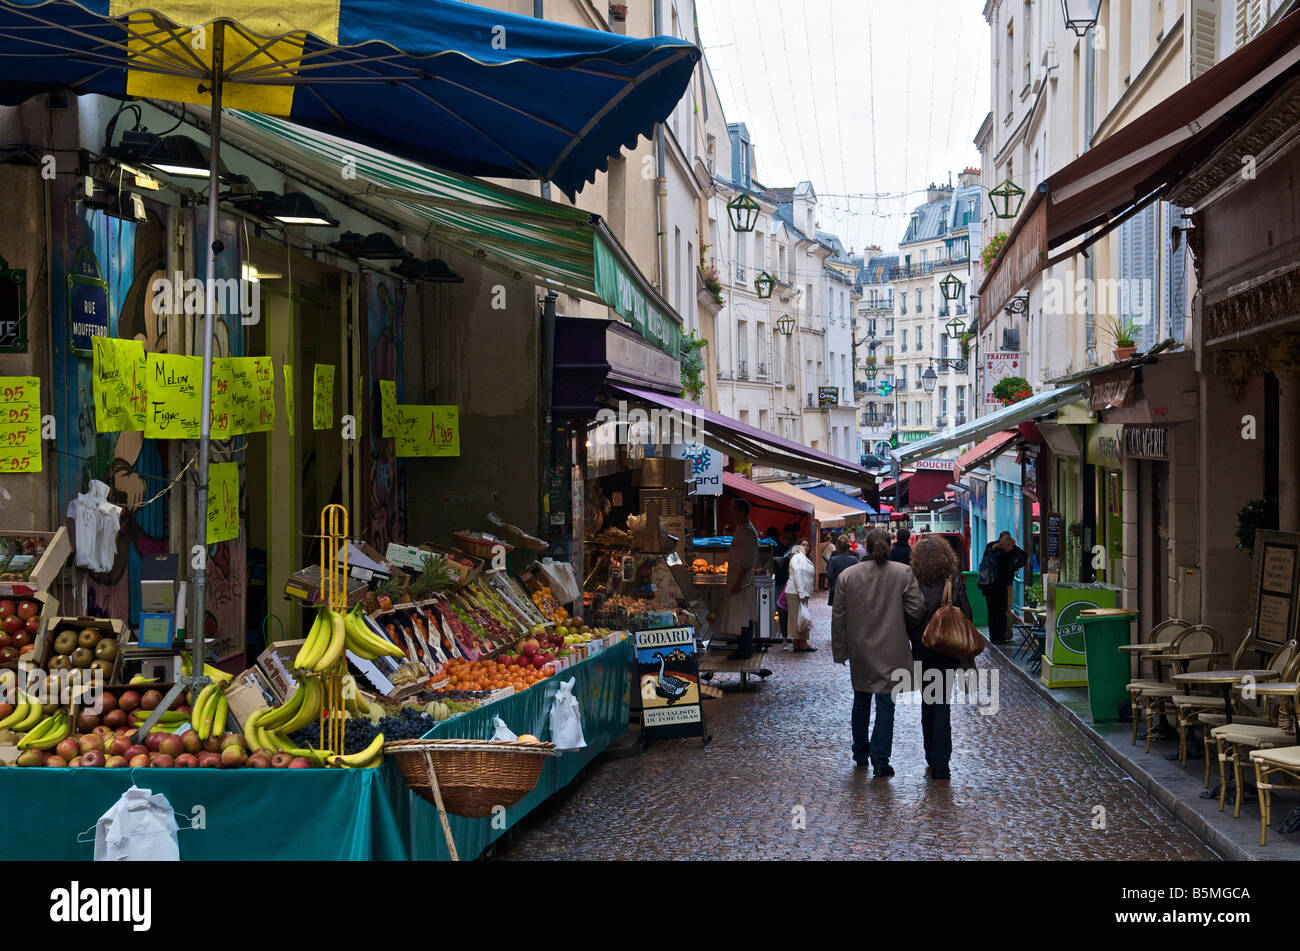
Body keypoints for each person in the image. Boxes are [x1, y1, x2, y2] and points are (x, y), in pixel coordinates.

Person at [831, 528, 926, 776]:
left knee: (861, 699)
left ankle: (860, 753)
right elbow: (917, 609)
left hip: (860, 648)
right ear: (889, 546)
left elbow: (839, 616)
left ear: (865, 545)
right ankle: (880, 760)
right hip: (891, 647)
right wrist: (899, 621)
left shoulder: (848, 575)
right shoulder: (902, 572)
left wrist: (840, 649)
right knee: (886, 704)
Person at [907, 535, 975, 780]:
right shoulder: (952, 580)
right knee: (942, 703)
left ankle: (931, 754)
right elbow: (967, 613)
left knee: (928, 702)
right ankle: (941, 763)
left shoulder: (912, 579)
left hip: (922, 648)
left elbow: (908, 615)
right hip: (947, 649)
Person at [720, 498, 760, 659]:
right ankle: (742, 647)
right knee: (741, 616)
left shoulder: (749, 532)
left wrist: (738, 582)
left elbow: (747, 561)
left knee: (744, 615)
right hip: (737, 579)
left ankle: (744, 649)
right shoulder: (741, 529)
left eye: (733, 509)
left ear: (741, 512)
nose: (731, 512)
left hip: (742, 582)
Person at [977, 531, 1027, 644]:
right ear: (1007, 545)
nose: (1012, 548)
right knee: (1001, 612)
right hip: (999, 589)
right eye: (1011, 546)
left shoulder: (990, 550)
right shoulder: (1004, 556)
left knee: (991, 612)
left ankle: (993, 637)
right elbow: (1004, 575)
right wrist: (1013, 567)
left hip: (988, 589)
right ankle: (1000, 637)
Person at [786, 539, 816, 652]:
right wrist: (801, 592)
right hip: (797, 592)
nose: (806, 547)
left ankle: (797, 643)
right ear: (798, 546)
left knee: (798, 617)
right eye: (803, 545)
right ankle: (802, 643)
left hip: (798, 592)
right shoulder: (798, 557)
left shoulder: (802, 558)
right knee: (800, 618)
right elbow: (798, 575)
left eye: (808, 545)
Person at [772, 525, 799, 641]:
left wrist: (782, 560)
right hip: (785, 579)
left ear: (789, 533)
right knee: (783, 606)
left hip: (787, 580)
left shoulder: (794, 545)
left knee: (783, 606)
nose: (783, 535)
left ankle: (788, 633)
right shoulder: (788, 544)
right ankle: (786, 634)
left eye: (785, 533)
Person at [826, 535, 858, 607]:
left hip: (836, 587)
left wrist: (831, 584)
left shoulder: (834, 556)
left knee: (837, 609)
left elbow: (829, 574)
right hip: (850, 588)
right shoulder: (854, 556)